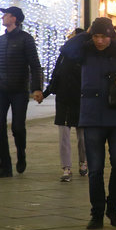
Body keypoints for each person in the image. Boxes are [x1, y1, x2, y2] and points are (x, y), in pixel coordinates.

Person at [60, 17, 116, 229]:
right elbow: (67, 50)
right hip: (92, 116)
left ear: (110, 35)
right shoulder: (85, 49)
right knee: (95, 169)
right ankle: (96, 213)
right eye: (96, 36)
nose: (100, 41)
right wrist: (86, 34)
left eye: (104, 36)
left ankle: (113, 208)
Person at [0, 6, 43, 178]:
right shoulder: (0, 40)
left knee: (18, 127)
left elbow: (35, 65)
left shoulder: (26, 39)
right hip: (0, 90)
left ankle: (21, 153)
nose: (3, 17)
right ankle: (5, 165)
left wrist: (36, 88)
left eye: (6, 14)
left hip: (19, 90)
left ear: (14, 18)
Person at [43, 28, 86, 182]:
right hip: (63, 99)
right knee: (64, 136)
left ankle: (83, 162)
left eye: (72, 36)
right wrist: (45, 93)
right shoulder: (63, 54)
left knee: (82, 135)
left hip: (79, 99)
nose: (69, 38)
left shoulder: (84, 55)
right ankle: (66, 168)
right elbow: (56, 76)